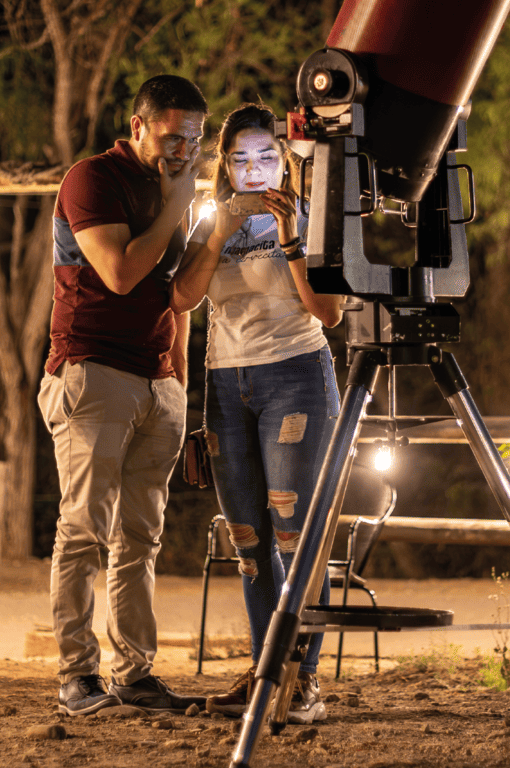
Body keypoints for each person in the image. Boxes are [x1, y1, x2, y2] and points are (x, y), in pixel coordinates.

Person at [38, 75, 209, 716]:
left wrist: (179, 385)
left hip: (155, 381)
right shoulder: (93, 179)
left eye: (193, 139)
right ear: (137, 127)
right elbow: (119, 273)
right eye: (171, 137)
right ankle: (76, 677)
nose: (182, 149)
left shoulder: (173, 190)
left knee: (141, 535)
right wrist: (177, 202)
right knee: (85, 527)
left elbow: (177, 294)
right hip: (91, 371)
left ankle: (134, 673)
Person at [169, 102, 343, 724]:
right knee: (249, 541)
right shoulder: (206, 217)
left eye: (267, 157)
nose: (253, 170)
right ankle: (263, 671)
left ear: (285, 159)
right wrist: (218, 230)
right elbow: (183, 298)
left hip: (295, 375)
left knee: (296, 540)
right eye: (240, 160)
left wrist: (292, 237)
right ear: (226, 167)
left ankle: (304, 679)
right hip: (226, 382)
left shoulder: (313, 213)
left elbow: (329, 311)